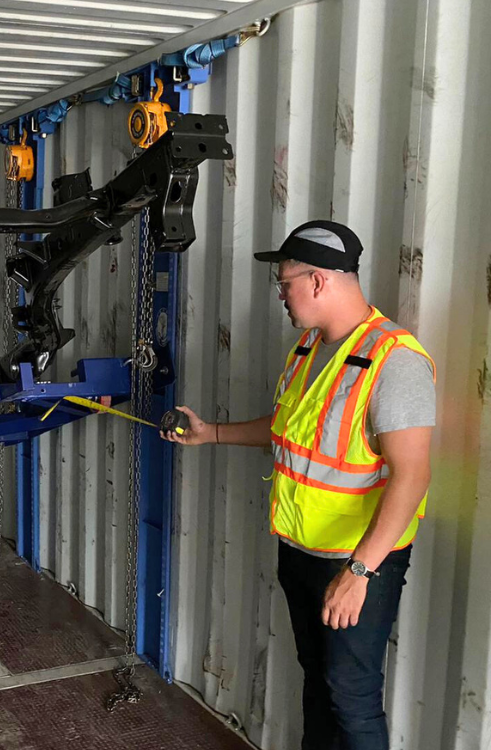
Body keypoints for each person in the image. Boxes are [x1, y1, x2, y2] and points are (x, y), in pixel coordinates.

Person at [163, 220, 436, 750]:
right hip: (301, 552)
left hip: (356, 560)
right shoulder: (309, 350)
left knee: (351, 694)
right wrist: (211, 433)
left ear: (318, 281)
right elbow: (289, 431)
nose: (282, 296)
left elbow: (413, 475)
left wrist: (360, 571)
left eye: (284, 282)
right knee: (318, 682)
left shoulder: (393, 360)